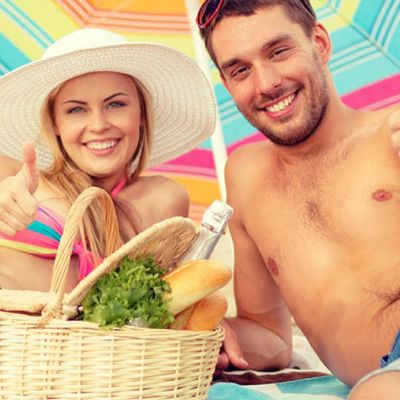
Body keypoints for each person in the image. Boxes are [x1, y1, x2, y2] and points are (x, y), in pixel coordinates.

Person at [196, 0, 400, 398]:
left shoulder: (389, 134)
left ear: (319, 43)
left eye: (278, 51)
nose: (266, 83)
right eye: (240, 70)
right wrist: (211, 331)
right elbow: (270, 337)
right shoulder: (244, 176)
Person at [0, 28, 216, 294]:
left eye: (115, 104)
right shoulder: (18, 180)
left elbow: (158, 304)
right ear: (55, 122)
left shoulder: (163, 198)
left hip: (94, 338)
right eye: (76, 109)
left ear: (141, 114)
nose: (99, 125)